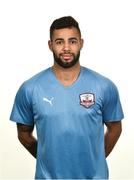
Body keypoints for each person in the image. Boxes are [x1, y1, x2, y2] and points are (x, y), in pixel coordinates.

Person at [10, 16, 124, 179]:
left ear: (81, 43)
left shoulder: (104, 86)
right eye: (59, 42)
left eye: (72, 41)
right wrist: (49, 160)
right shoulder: (30, 88)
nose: (66, 48)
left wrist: (94, 160)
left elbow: (115, 128)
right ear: (50, 45)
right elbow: (23, 134)